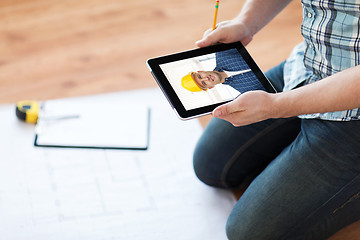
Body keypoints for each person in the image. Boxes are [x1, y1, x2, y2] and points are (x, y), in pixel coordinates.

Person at [193, 0, 360, 239]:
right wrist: (245, 22)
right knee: (212, 165)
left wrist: (277, 106)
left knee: (251, 234)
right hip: (309, 67)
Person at [181, 49, 265, 93]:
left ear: (200, 71)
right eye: (204, 83)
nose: (206, 79)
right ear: (210, 87)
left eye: (200, 77)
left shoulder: (223, 53)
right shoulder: (247, 91)